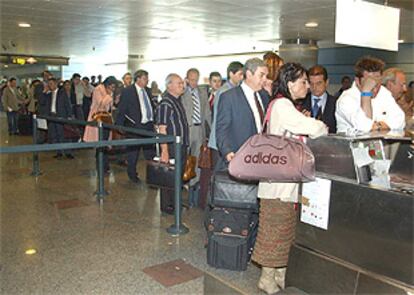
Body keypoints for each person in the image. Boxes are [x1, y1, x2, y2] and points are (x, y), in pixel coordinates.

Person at [252, 63, 328, 294]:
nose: (307, 86)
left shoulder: (284, 105)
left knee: (284, 230)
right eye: (303, 81)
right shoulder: (283, 105)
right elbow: (314, 128)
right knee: (274, 231)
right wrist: (320, 125)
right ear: (291, 83)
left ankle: (279, 274)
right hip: (279, 186)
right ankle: (266, 278)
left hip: (281, 184)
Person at [215, 58, 269, 171]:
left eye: (266, 76)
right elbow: (222, 129)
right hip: (239, 157)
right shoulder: (229, 97)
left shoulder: (264, 96)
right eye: (261, 75)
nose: (265, 80)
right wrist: (227, 152)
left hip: (261, 158)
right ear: (249, 74)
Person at [335, 56, 405, 133]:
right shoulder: (346, 99)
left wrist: (378, 125)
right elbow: (364, 127)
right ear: (357, 81)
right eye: (369, 83)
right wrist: (366, 92)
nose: (374, 89)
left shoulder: (383, 92)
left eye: (377, 84)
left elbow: (400, 120)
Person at [156, 73, 189, 214]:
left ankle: (175, 203)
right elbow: (162, 128)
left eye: (182, 83)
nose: (182, 86)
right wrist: (164, 151)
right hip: (171, 147)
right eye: (179, 83)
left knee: (177, 177)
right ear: (169, 85)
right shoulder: (165, 103)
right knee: (169, 177)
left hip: (180, 145)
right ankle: (168, 206)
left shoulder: (177, 100)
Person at [115, 70, 156, 183]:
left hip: (148, 126)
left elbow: (151, 106)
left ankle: (152, 177)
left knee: (150, 154)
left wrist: (154, 120)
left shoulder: (147, 91)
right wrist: (119, 125)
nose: (147, 80)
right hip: (134, 126)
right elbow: (122, 108)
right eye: (145, 78)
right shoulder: (128, 91)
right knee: (133, 153)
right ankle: (132, 175)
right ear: (138, 79)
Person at [181, 68, 211, 205]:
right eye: (191, 79)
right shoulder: (181, 92)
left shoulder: (202, 92)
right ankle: (182, 184)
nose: (193, 82)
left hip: (199, 130)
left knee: (196, 159)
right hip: (187, 130)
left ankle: (193, 186)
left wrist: (210, 130)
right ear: (186, 79)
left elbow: (207, 113)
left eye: (196, 80)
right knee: (184, 158)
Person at [208, 61, 244, 160]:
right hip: (221, 142)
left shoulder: (235, 90)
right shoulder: (225, 92)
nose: (242, 77)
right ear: (231, 74)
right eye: (240, 74)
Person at [83, 76, 118, 174]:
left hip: (106, 120)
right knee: (100, 144)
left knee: (105, 143)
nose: (113, 88)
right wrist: (110, 95)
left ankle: (105, 166)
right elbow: (101, 103)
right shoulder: (98, 89)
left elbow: (110, 106)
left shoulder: (109, 91)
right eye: (112, 86)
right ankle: (101, 167)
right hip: (97, 118)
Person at [301, 65, 337, 133]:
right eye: (311, 83)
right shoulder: (300, 102)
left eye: (318, 83)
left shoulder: (336, 103)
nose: (314, 87)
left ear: (326, 82)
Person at [45, 78, 74, 159]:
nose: (50, 86)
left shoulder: (62, 93)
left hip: (61, 116)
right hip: (52, 116)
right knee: (54, 135)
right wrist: (44, 92)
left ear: (55, 84)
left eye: (51, 84)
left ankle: (68, 152)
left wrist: (69, 115)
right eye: (49, 84)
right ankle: (59, 152)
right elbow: (43, 102)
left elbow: (67, 104)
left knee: (64, 135)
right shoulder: (48, 94)